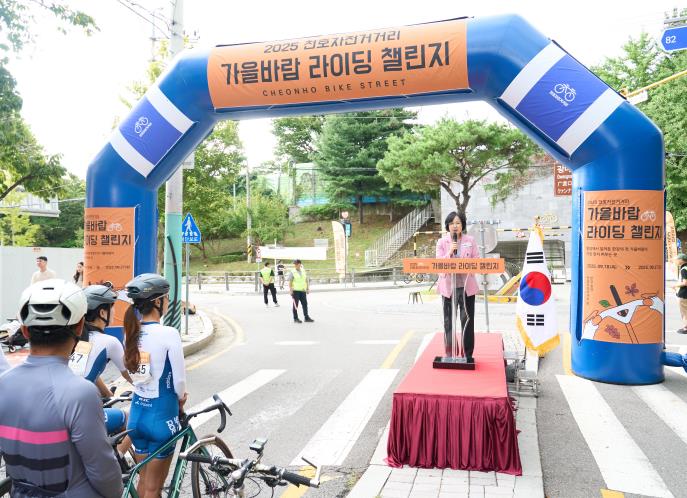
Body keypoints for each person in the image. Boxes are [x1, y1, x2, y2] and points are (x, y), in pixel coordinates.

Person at [0, 279, 122, 497]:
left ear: (25, 331)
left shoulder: (4, 383)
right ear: (80, 326)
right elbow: (106, 477)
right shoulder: (81, 392)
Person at [124, 273, 187, 498]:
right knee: (153, 489)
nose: (168, 302)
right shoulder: (169, 333)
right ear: (158, 301)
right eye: (167, 298)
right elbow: (179, 381)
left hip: (137, 415)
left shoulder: (131, 332)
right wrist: (182, 398)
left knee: (143, 482)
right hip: (161, 417)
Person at [79, 284, 134, 435]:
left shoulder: (76, 338)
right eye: (112, 307)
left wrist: (108, 395)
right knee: (131, 419)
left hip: (58, 412)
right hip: (80, 417)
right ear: (102, 312)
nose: (114, 311)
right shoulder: (110, 342)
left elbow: (88, 373)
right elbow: (132, 376)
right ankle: (119, 450)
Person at [436, 211, 480, 361]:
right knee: (448, 321)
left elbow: (477, 259)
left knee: (467, 320)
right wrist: (449, 252)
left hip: (467, 286)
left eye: (458, 223)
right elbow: (438, 263)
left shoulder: (470, 240)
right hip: (448, 287)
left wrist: (464, 263)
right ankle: (450, 353)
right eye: (452, 223)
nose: (455, 226)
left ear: (462, 225)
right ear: (447, 226)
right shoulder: (441, 242)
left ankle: (467, 354)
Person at [288, 259, 314, 323]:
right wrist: (291, 290)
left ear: (299, 264)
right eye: (294, 264)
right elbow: (290, 282)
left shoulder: (303, 270)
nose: (295, 265)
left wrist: (307, 288)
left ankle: (306, 317)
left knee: (305, 304)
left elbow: (306, 280)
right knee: (295, 305)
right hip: (295, 291)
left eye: (296, 264)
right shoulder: (292, 272)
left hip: (303, 290)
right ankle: (295, 318)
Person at [674, 254, 687, 334]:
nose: (676, 261)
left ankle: (686, 328)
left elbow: (685, 283)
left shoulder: (684, 269)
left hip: (683, 294)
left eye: (677, 260)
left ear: (681, 260)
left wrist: (675, 285)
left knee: (684, 311)